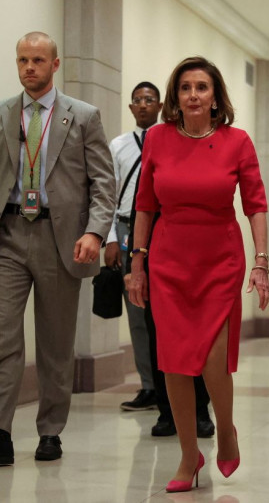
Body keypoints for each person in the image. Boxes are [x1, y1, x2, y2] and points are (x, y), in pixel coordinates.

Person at [0, 31, 115, 465]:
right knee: (3, 339)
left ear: (55, 64)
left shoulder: (83, 117)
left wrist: (95, 232)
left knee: (55, 343)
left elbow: (103, 184)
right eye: (22, 60)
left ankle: (50, 431)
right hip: (5, 236)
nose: (29, 68)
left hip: (61, 240)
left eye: (38, 60)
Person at [128, 56, 269, 493]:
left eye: (202, 87)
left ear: (215, 97)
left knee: (211, 358)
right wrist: (137, 263)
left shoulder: (236, 141)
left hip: (219, 258)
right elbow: (145, 205)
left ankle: (225, 428)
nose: (193, 95)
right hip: (169, 259)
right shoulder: (158, 138)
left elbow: (255, 204)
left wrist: (261, 261)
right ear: (176, 96)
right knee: (172, 360)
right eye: (185, 87)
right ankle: (189, 454)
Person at [124, 159, 215, 439]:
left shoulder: (203, 154)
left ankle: (200, 411)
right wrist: (135, 266)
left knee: (198, 337)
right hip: (159, 257)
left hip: (200, 257)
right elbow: (141, 210)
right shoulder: (158, 151)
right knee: (160, 337)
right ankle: (167, 412)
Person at [105, 82, 162, 412]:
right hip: (127, 228)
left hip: (162, 225)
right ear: (130, 108)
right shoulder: (119, 145)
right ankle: (149, 386)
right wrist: (110, 237)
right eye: (137, 100)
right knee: (138, 311)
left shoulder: (169, 139)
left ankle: (175, 383)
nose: (143, 105)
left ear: (160, 105)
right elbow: (109, 195)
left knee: (165, 310)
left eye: (149, 100)